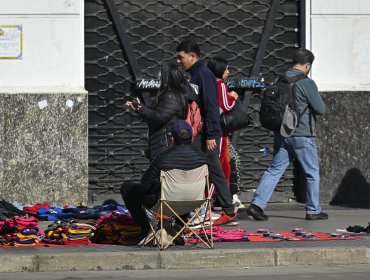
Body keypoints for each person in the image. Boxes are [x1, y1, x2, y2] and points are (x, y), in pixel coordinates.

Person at [246, 48, 328, 221]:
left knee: (274, 169)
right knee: (312, 172)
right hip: (302, 134)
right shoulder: (306, 83)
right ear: (307, 65)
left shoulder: (280, 79)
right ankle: (313, 210)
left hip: (282, 132)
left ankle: (256, 205)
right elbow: (320, 109)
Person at [176, 40, 236, 225]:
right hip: (199, 132)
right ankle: (191, 208)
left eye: (181, 57)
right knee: (196, 167)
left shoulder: (203, 74)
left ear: (192, 56)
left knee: (214, 170)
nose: (179, 61)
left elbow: (211, 104)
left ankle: (227, 210)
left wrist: (211, 134)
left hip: (206, 133)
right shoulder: (192, 75)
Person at [120, 120, 208, 241]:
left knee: (127, 188)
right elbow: (209, 184)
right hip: (194, 202)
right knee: (185, 188)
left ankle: (146, 228)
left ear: (173, 139)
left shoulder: (163, 157)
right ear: (191, 138)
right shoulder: (203, 157)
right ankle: (178, 228)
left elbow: (144, 186)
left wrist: (157, 185)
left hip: (166, 203)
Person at [125, 62, 192, 161]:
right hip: (162, 141)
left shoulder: (172, 96)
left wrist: (141, 108)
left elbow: (159, 117)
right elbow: (158, 113)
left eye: (162, 74)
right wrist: (140, 107)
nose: (159, 76)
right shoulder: (171, 94)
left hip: (165, 143)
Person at [207, 56, 245, 209]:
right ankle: (219, 201)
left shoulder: (206, 83)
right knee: (222, 165)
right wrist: (234, 97)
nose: (228, 72)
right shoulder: (220, 84)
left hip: (208, 128)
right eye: (226, 69)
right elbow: (226, 106)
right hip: (219, 131)